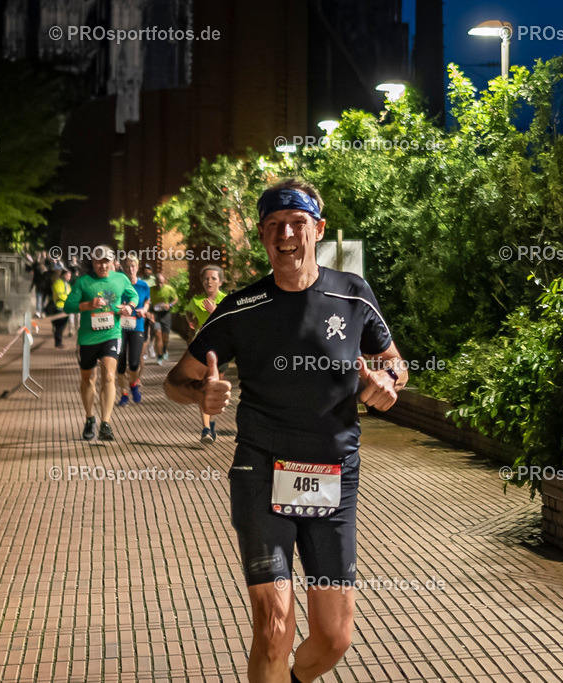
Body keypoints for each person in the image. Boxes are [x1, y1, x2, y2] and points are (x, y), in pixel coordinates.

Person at [165, 179, 407, 683]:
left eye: (298, 223)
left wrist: (387, 381)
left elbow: (394, 362)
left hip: (335, 475)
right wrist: (201, 395)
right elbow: (176, 381)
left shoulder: (352, 294)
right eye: (274, 225)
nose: (286, 234)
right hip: (261, 472)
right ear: (262, 235)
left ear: (317, 229)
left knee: (334, 639)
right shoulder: (242, 308)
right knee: (274, 627)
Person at [62, 245, 136, 441]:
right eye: (99, 262)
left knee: (109, 375)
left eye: (106, 262)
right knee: (88, 379)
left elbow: (133, 295)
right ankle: (89, 419)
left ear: (112, 262)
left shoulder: (120, 279)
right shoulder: (83, 282)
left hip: (112, 334)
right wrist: (89, 305)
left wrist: (129, 306)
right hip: (88, 338)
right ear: (93, 263)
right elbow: (68, 306)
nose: (103, 266)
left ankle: (106, 423)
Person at [184, 264, 228, 442]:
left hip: (222, 349)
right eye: (206, 279)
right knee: (205, 386)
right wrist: (191, 321)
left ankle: (211, 421)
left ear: (220, 282)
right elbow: (188, 311)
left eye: (213, 278)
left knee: (216, 388)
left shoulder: (227, 300)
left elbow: (231, 323)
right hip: (203, 348)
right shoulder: (196, 301)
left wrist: (214, 312)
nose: (209, 282)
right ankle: (206, 428)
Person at [116, 255, 151, 406]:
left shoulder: (143, 286)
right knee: (120, 362)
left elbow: (147, 301)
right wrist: (121, 308)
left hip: (137, 326)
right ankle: (123, 393)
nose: (130, 269)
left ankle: (133, 383)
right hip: (120, 327)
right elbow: (113, 302)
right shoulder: (119, 285)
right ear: (123, 268)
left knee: (135, 363)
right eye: (127, 266)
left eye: (133, 266)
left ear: (137, 267)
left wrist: (144, 309)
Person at [149, 272, 179, 364]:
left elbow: (176, 299)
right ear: (155, 281)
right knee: (158, 334)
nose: (160, 285)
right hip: (155, 314)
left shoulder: (169, 289)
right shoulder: (151, 289)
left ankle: (165, 348)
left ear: (164, 281)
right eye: (158, 282)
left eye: (161, 282)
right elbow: (147, 299)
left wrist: (169, 305)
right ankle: (159, 356)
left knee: (165, 337)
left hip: (165, 314)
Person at [49, 269, 72, 349]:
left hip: (66, 307)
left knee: (62, 326)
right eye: (68, 275)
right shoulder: (58, 283)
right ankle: (58, 343)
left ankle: (58, 341)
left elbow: (70, 294)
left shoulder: (67, 285)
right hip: (59, 307)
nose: (69, 277)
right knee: (60, 326)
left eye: (70, 276)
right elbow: (60, 295)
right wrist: (69, 300)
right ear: (63, 275)